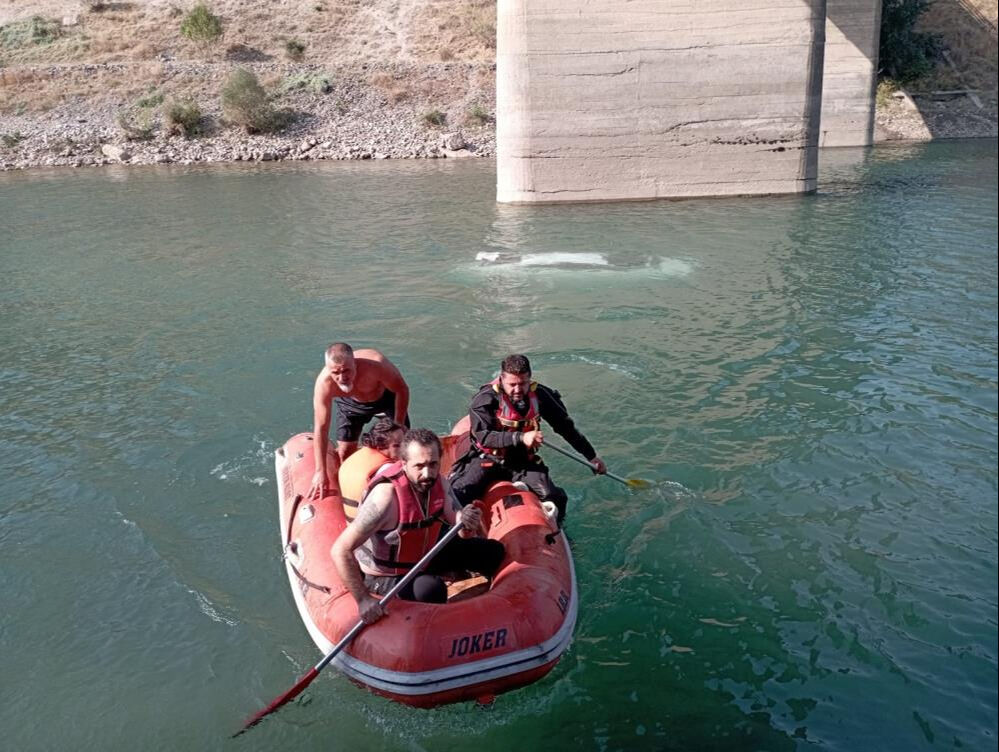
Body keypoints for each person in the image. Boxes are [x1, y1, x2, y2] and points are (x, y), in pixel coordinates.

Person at [331, 429, 506, 624]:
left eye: (433, 464)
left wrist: (466, 521)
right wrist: (363, 600)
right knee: (431, 589)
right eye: (419, 466)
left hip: (424, 556)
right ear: (404, 464)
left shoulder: (439, 482)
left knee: (493, 552)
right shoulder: (385, 498)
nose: (427, 474)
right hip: (387, 574)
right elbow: (340, 549)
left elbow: (462, 529)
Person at [449, 354, 607, 525]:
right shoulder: (485, 399)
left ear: (530, 379)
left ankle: (555, 535)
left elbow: (565, 427)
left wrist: (591, 456)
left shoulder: (540, 395)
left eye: (523, 383)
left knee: (555, 497)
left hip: (522, 462)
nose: (518, 390)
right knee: (458, 493)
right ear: (501, 379)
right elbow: (484, 437)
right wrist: (521, 437)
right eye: (512, 384)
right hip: (487, 459)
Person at [309, 343, 410, 499]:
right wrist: (320, 471)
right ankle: (351, 493)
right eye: (335, 372)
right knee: (344, 452)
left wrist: (398, 425)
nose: (342, 378)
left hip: (385, 400)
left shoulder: (376, 364)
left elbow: (402, 389)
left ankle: (403, 486)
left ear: (354, 363)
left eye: (346, 370)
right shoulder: (324, 384)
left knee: (397, 446)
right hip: (350, 403)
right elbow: (321, 428)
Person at [338, 418, 405, 516]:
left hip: (353, 521)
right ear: (380, 445)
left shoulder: (354, 457)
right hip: (370, 525)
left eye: (404, 443)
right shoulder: (386, 469)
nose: (404, 449)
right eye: (397, 446)